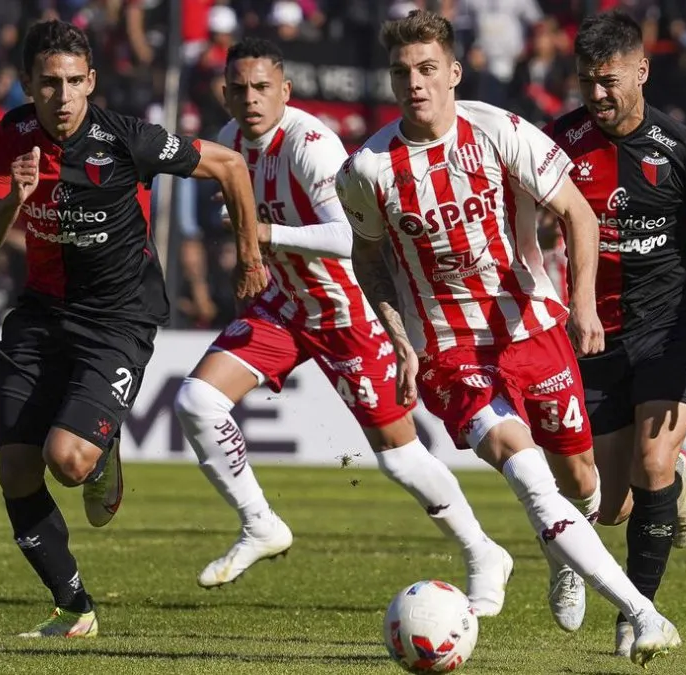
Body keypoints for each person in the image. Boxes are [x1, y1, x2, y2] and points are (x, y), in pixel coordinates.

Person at [335, 10, 681, 666]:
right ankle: (644, 612)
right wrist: (400, 335)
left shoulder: (501, 132)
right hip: (450, 351)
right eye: (403, 72)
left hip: (534, 330)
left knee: (586, 487)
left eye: (428, 69)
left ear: (454, 73)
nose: (415, 83)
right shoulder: (369, 168)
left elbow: (576, 212)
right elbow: (369, 256)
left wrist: (581, 303)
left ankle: (568, 559)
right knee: (527, 474)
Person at [173, 37, 514, 616]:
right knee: (197, 401)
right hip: (284, 306)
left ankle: (483, 553)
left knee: (397, 457)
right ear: (224, 93)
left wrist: (264, 237)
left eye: (262, 88)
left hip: (347, 312)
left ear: (285, 89)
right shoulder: (229, 144)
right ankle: (260, 523)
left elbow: (349, 237)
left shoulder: (310, 145)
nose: (250, 99)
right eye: (238, 89)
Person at [0, 19, 267, 638]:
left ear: (92, 81)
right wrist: (13, 202)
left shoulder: (126, 139)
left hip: (118, 320)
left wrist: (250, 255)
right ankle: (73, 608)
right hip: (41, 313)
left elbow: (232, 165)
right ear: (28, 84)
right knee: (16, 471)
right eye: (50, 83)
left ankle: (103, 455)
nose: (64, 96)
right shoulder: (7, 140)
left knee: (68, 461)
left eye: (75, 82)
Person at [544, 10, 686, 655]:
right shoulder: (560, 143)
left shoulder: (684, 148)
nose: (598, 95)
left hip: (667, 326)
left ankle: (637, 618)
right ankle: (677, 478)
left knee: (652, 461)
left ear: (642, 70)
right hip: (592, 334)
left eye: (609, 81)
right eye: (587, 82)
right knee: (610, 506)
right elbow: (523, 226)